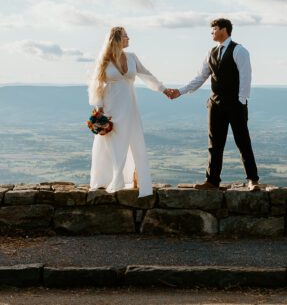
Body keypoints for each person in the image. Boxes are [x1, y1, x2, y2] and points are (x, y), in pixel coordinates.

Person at [164, 17, 260, 191]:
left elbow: (246, 77)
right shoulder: (211, 52)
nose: (211, 33)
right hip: (215, 105)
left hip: (235, 104)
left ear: (224, 29)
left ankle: (253, 180)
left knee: (243, 141)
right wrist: (180, 91)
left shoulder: (239, 50)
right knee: (214, 144)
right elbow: (201, 77)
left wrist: (241, 101)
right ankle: (212, 181)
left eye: (213, 29)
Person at [88, 26, 169, 198]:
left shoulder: (132, 58)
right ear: (116, 39)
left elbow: (146, 75)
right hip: (110, 107)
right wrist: (99, 110)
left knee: (134, 139)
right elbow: (97, 85)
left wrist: (163, 89)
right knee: (110, 143)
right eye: (125, 36)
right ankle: (106, 179)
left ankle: (134, 179)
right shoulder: (104, 60)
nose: (129, 39)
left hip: (130, 106)